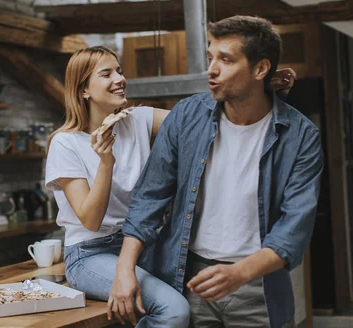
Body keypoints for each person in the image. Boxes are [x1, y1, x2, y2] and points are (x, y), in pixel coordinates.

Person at [45, 44, 295, 327]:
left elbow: (196, 115)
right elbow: (90, 220)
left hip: (141, 246)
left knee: (202, 295)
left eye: (119, 71)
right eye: (106, 74)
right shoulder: (66, 143)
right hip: (91, 253)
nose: (119, 79)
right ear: (84, 90)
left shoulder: (137, 120)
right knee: (174, 310)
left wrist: (250, 85)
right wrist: (106, 162)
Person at [108, 16, 323, 328]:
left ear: (261, 69)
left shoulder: (300, 136)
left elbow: (294, 229)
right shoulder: (186, 116)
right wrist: (124, 270)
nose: (211, 69)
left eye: (226, 59)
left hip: (257, 287)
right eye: (211, 57)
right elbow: (149, 198)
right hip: (187, 277)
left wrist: (239, 273)